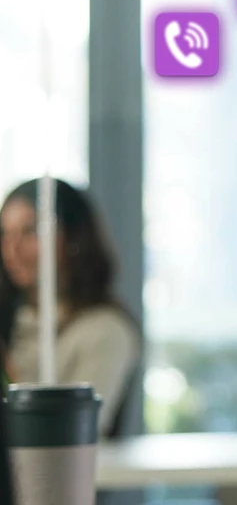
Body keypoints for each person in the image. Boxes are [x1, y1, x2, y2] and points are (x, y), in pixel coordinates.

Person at [0, 178, 140, 437]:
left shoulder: (105, 330)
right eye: (5, 234)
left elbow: (76, 432)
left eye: (30, 231)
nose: (12, 250)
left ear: (74, 237)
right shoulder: (13, 319)